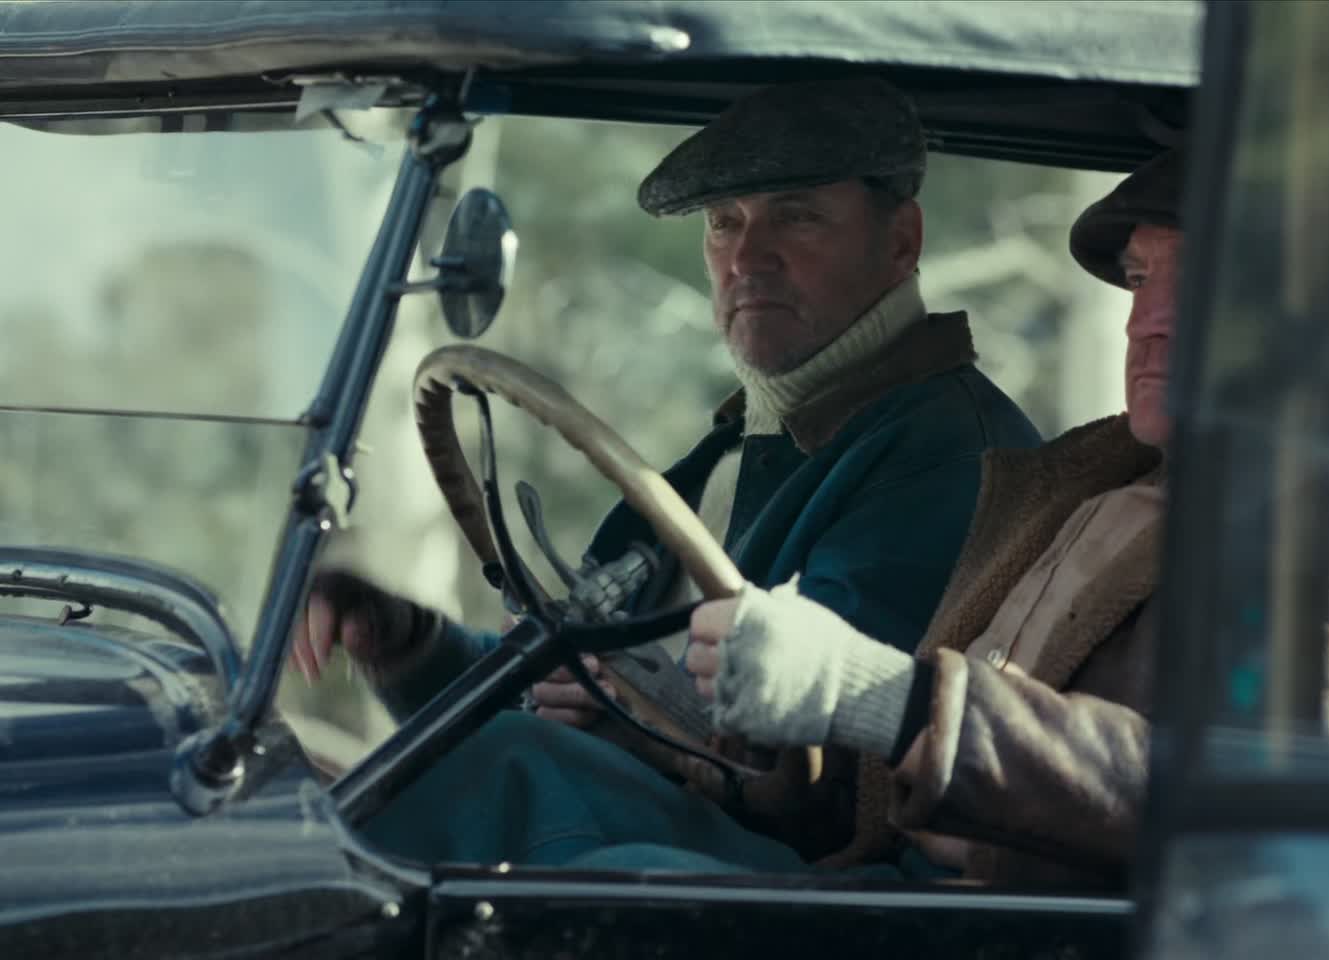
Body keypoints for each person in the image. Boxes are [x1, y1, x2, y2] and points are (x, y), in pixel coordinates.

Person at [672, 146, 1329, 888]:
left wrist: (887, 698)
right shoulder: (1083, 486)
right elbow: (879, 794)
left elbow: (1267, 798)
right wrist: (745, 733)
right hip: (896, 892)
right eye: (1139, 280)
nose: (1149, 322)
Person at [300, 77, 1041, 863]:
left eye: (797, 216)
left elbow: (819, 759)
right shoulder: (742, 445)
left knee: (489, 777)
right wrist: (412, 647)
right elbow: (575, 673)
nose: (747, 257)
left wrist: (623, 714)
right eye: (724, 222)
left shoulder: (951, 454)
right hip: (664, 842)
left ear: (901, 242)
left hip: (808, 885)